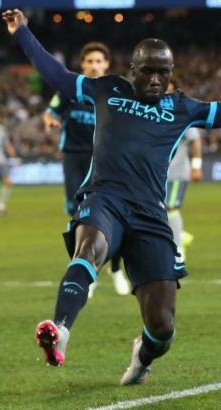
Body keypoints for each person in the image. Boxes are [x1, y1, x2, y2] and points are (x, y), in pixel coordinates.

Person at [3, 9, 221, 384]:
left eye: (164, 72)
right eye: (148, 71)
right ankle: (60, 330)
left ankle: (142, 358)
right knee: (89, 248)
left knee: (162, 326)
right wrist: (22, 32)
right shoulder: (107, 89)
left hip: (149, 214)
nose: (157, 79)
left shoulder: (182, 107)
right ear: (133, 69)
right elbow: (57, 75)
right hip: (105, 199)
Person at [43, 41, 130, 297]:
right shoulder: (70, 90)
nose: (94, 66)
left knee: (113, 214)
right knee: (78, 216)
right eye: (89, 61)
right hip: (73, 158)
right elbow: (50, 112)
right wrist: (50, 121)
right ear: (82, 64)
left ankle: (116, 269)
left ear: (106, 64)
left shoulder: (115, 92)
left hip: (104, 160)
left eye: (98, 61)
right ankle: (82, 271)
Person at [165, 80, 203, 261]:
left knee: (170, 208)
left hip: (176, 173)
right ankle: (180, 235)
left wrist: (196, 166)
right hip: (154, 173)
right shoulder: (149, 111)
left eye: (170, 90)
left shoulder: (182, 113)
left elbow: (195, 141)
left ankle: (178, 249)